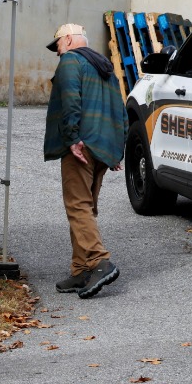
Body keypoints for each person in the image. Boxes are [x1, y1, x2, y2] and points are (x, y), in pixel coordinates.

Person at [44, 21, 125, 299]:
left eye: (57, 46)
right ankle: (80, 271)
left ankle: (99, 261)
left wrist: (72, 138)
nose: (57, 52)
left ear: (67, 39)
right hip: (102, 147)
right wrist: (116, 149)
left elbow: (70, 101)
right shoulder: (105, 66)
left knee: (77, 206)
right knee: (86, 208)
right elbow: (119, 108)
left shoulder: (70, 61)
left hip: (81, 145)